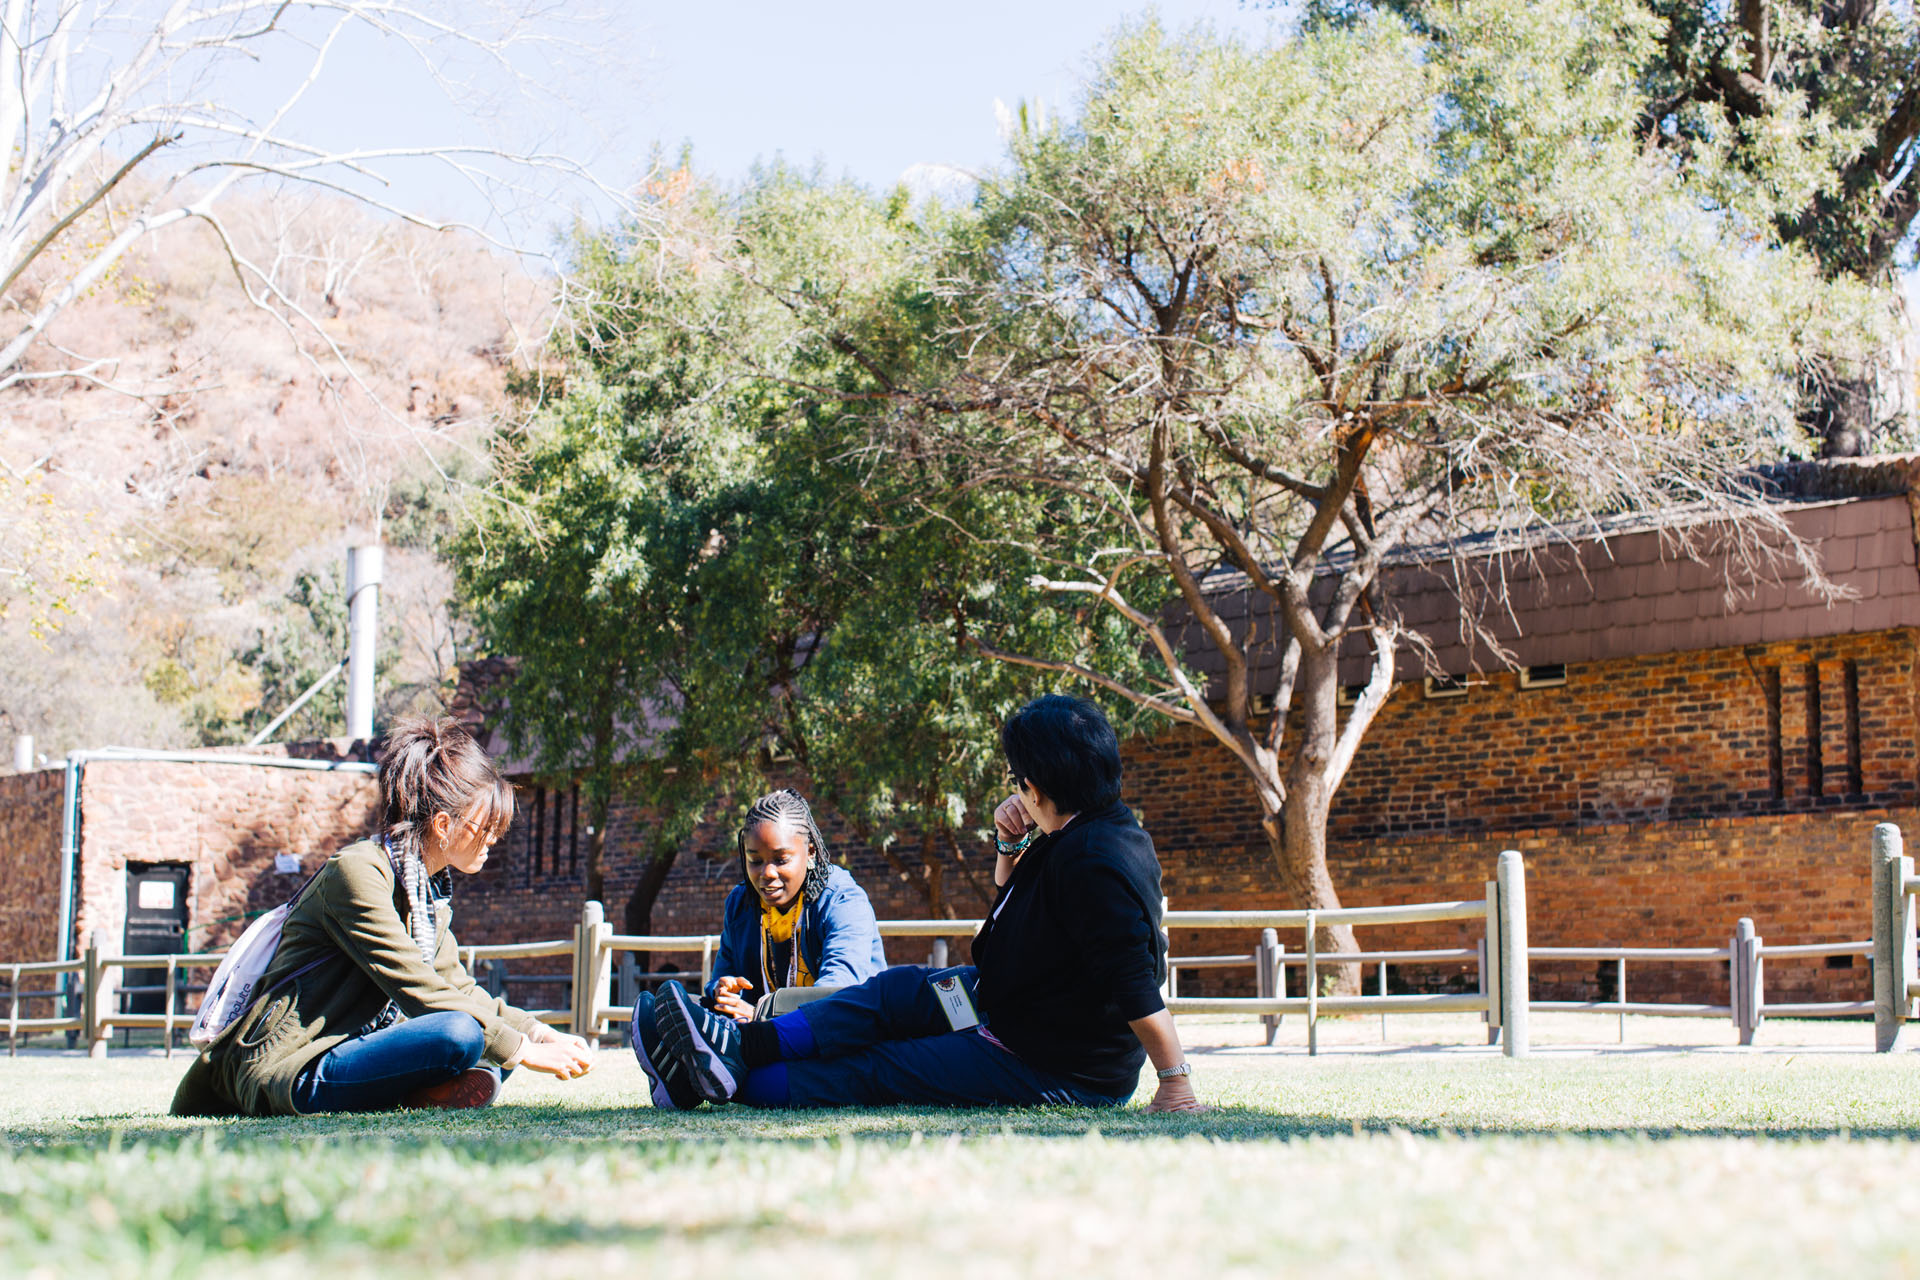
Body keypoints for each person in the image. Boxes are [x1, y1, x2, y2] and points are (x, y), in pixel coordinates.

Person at [632, 694, 1204, 1114]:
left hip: (1051, 1060)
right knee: (894, 993)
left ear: (1035, 785)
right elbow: (1014, 905)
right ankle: (737, 1047)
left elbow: (1133, 980)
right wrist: (1011, 845)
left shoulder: (1096, 861)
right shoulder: (1083, 831)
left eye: (1017, 778)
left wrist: (1175, 1083)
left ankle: (715, 1079)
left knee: (885, 1066)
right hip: (997, 1003)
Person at [171, 715, 595, 1117]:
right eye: (486, 826)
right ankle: (419, 1090)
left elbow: (459, 986)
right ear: (443, 824)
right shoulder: (357, 872)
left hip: (353, 1049)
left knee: (480, 1037)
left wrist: (538, 1033)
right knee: (462, 1034)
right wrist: (520, 1049)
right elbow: (416, 987)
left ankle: (421, 1092)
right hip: (290, 1065)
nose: (495, 838)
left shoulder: (426, 894)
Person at [703, 788, 886, 1022]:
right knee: (691, 1005)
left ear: (810, 852)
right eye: (755, 860)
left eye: (781, 860)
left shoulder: (842, 900)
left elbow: (838, 992)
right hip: (765, 1033)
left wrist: (762, 1015)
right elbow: (721, 976)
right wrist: (722, 990)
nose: (767, 873)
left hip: (847, 1032)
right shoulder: (741, 904)